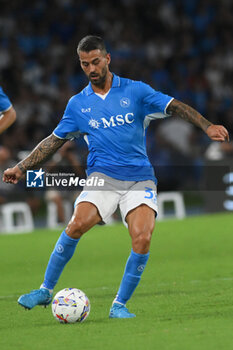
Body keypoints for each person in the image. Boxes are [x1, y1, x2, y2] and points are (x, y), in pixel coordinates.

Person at [3, 36, 229, 318]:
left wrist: (207, 126)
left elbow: (175, 106)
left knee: (142, 238)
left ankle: (119, 305)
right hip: (102, 178)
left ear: (107, 59)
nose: (91, 68)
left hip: (139, 178)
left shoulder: (136, 92)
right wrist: (21, 168)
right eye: (85, 64)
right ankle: (45, 290)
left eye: (96, 61)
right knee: (76, 224)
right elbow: (53, 141)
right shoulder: (78, 105)